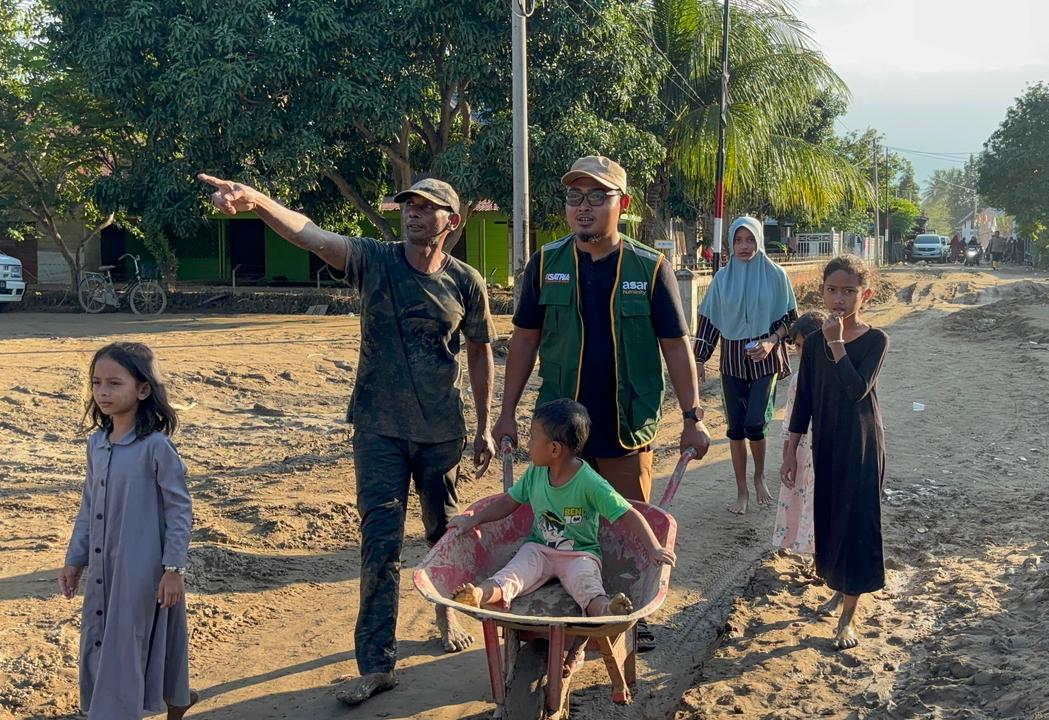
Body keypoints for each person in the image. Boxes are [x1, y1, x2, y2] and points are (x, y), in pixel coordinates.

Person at [197, 173, 496, 704]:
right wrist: (257, 200)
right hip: (378, 428)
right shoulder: (374, 260)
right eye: (408, 205)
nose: (414, 213)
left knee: (441, 532)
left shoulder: (466, 281)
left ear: (451, 221)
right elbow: (309, 234)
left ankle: (444, 612)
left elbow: (479, 351)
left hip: (440, 431)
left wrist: (486, 425)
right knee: (380, 543)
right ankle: (377, 663)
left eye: (427, 208)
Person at [495, 155, 709, 651]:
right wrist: (505, 414)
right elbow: (524, 340)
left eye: (597, 196)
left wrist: (693, 417)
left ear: (623, 203)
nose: (583, 207)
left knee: (627, 526)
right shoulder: (545, 264)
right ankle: (556, 618)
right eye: (574, 196)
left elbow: (676, 346)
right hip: (560, 432)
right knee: (555, 525)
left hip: (624, 424)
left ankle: (629, 612)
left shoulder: (649, 268)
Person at [449, 399, 675, 704]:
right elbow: (508, 503)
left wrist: (654, 547)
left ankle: (607, 610)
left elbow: (627, 513)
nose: (528, 444)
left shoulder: (590, 483)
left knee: (586, 585)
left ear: (554, 449)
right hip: (540, 549)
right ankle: (480, 594)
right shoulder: (535, 473)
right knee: (513, 573)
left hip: (579, 554)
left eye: (533, 438)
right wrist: (474, 519)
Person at [59, 342, 197, 720]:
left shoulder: (156, 447)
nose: (102, 392)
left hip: (143, 569)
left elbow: (179, 509)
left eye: (114, 383)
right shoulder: (96, 444)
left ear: (143, 389)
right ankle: (172, 701)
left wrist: (173, 569)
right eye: (96, 382)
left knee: (133, 640)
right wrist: (75, 559)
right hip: (104, 567)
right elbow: (88, 505)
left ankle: (133, 709)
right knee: (102, 637)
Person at [780, 256, 889, 651]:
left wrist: (837, 343)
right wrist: (790, 451)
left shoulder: (875, 340)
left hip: (861, 446)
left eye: (849, 291)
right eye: (832, 290)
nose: (839, 298)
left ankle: (847, 618)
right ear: (821, 291)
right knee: (829, 519)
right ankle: (838, 589)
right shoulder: (812, 345)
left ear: (866, 295)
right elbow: (804, 401)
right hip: (825, 443)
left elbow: (857, 389)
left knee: (855, 523)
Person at [694, 216, 798, 514]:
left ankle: (759, 476)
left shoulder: (776, 275)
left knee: (755, 423)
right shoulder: (722, 279)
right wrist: (699, 359)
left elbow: (791, 319)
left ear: (759, 241)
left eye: (750, 239)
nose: (744, 246)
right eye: (738, 240)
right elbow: (709, 321)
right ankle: (742, 490)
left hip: (765, 359)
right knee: (736, 428)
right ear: (730, 243)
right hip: (732, 360)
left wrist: (771, 341)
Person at [772, 311, 823, 554]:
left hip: (825, 450)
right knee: (802, 499)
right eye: (798, 346)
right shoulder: (798, 380)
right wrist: (788, 456)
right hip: (803, 451)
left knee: (820, 501)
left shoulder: (835, 376)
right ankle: (808, 549)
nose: (802, 352)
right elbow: (790, 422)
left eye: (807, 345)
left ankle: (822, 556)